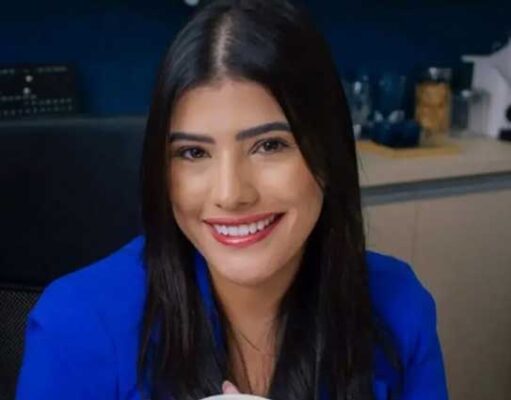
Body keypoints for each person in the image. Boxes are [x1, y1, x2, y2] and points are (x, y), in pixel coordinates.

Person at [16, 0, 448, 399]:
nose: (230, 194)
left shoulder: (397, 305)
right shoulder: (76, 325)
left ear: (328, 152)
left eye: (269, 145)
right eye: (193, 153)